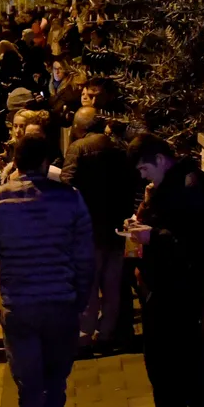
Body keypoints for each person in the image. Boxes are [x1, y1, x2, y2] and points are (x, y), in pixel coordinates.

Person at [0, 133, 94, 407]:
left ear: (15, 162)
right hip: (60, 305)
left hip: (19, 308)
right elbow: (84, 258)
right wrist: (82, 302)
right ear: (46, 163)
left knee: (29, 390)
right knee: (55, 386)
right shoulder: (71, 200)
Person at [125, 135, 204, 407]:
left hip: (181, 294)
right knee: (162, 371)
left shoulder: (193, 186)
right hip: (158, 293)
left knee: (191, 371)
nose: (142, 176)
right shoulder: (165, 187)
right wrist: (140, 225)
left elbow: (201, 246)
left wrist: (154, 237)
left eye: (144, 168)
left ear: (160, 159)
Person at [61, 108, 135, 352]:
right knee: (112, 285)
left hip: (88, 228)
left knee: (88, 285)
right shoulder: (118, 148)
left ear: (78, 126)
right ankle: (107, 334)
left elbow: (67, 184)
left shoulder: (78, 148)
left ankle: (84, 335)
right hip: (115, 226)